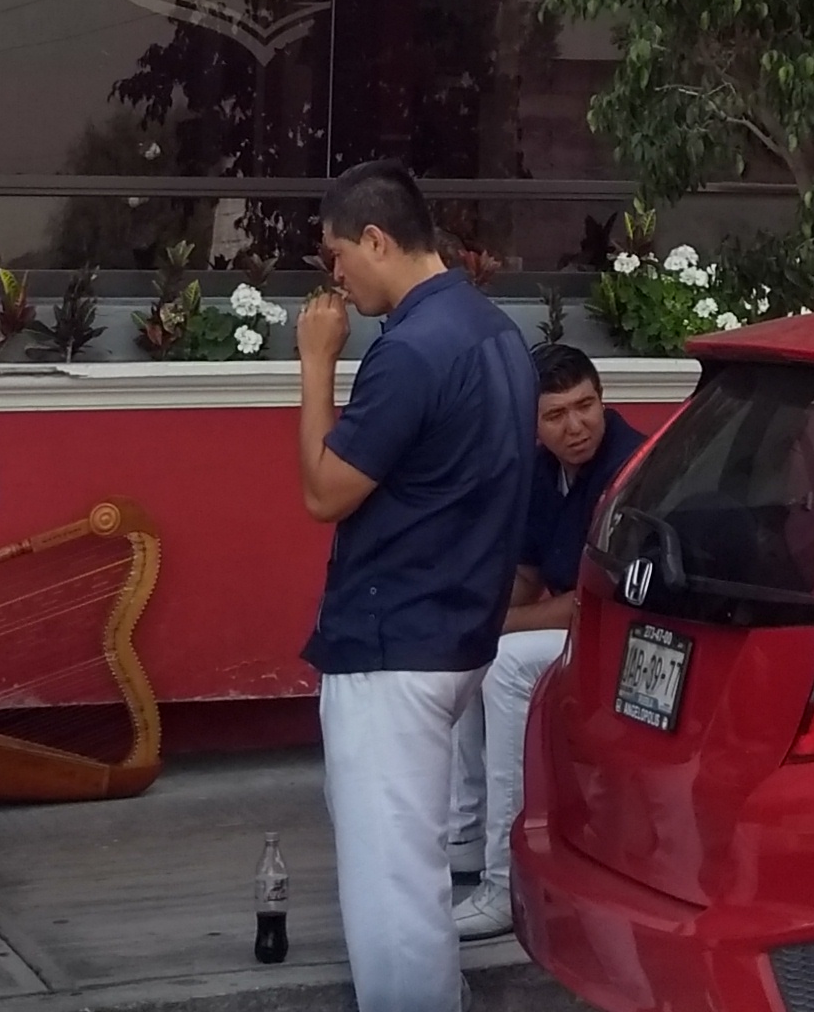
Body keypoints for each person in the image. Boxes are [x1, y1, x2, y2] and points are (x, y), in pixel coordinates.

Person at [296, 160, 536, 1012]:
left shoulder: (411, 348)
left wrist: (316, 365)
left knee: (391, 885)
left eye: (335, 256)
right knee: (414, 866)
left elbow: (325, 491)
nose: (335, 279)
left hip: (393, 640)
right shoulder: (494, 330)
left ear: (375, 239)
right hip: (458, 630)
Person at [445, 343, 642, 944]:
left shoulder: (631, 466)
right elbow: (527, 573)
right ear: (530, 422)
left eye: (586, 406)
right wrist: (479, 615)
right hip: (576, 628)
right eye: (556, 415)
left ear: (603, 400)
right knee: (461, 644)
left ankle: (507, 882)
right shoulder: (540, 470)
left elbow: (594, 600)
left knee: (503, 661)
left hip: (631, 640)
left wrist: (496, 626)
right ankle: (464, 834)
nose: (576, 425)